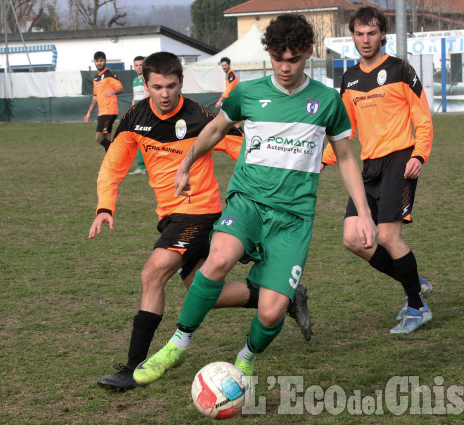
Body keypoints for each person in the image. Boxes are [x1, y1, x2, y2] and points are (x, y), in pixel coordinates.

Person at [133, 14, 377, 387]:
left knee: (270, 311)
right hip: (247, 202)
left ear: (308, 54)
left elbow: (345, 157)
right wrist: (186, 164)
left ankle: (245, 360)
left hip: (293, 218)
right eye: (278, 57)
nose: (284, 66)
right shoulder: (248, 93)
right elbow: (216, 128)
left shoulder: (328, 101)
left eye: (293, 59)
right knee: (217, 259)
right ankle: (178, 345)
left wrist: (363, 214)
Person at [89, 51, 312, 392]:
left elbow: (248, 145)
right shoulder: (134, 117)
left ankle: (133, 369)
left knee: (153, 273)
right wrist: (105, 206)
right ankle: (283, 297)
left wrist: (299, 162)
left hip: (200, 211)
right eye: (157, 87)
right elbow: (113, 165)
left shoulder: (202, 117)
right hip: (169, 216)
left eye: (172, 86)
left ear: (181, 82)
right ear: (145, 85)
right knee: (202, 290)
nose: (165, 94)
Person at [322, 6, 434, 334]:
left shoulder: (401, 70)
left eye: (372, 33)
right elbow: (344, 132)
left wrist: (419, 155)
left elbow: (423, 119)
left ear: (382, 34)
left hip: (401, 159)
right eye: (359, 33)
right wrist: (321, 161)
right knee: (354, 238)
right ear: (352, 36)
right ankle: (412, 282)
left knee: (386, 235)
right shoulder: (350, 78)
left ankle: (416, 306)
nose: (365, 40)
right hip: (369, 167)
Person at [85, 51, 124, 153]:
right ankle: (110, 166)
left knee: (98, 137)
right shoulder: (95, 78)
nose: (99, 63)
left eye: (101, 61)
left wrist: (113, 92)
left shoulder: (109, 74)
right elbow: (95, 97)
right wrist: (89, 112)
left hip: (109, 111)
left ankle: (116, 152)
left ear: (105, 61)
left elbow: (120, 89)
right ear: (94, 62)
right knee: (106, 138)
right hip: (102, 112)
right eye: (97, 61)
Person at [128, 55, 149, 176]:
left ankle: (143, 167)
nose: (138, 67)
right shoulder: (135, 80)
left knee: (141, 138)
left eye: (141, 65)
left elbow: (148, 93)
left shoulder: (146, 78)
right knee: (139, 138)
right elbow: (134, 96)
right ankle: (142, 167)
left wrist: (140, 107)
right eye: (136, 65)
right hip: (137, 111)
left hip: (144, 110)